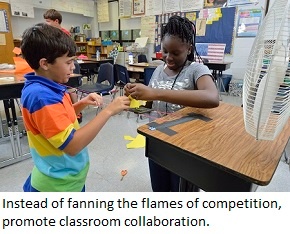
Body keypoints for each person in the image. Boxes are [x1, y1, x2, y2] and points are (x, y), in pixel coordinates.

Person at [20, 23, 130, 192]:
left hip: (67, 179)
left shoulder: (50, 87)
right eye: (69, 62)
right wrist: (108, 111)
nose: (73, 67)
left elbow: (58, 120)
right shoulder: (41, 96)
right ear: (45, 63)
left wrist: (81, 103)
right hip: (56, 187)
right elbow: (72, 145)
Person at [124, 15, 219, 192]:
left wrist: (156, 92)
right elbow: (152, 106)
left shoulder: (196, 70)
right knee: (160, 189)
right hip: (157, 142)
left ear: (189, 49)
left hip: (185, 147)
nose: (168, 57)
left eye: (176, 53)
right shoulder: (159, 70)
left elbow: (212, 98)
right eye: (165, 51)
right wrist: (135, 98)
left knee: (181, 193)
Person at [43, 9, 83, 123]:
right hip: (57, 64)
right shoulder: (50, 34)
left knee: (70, 87)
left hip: (64, 63)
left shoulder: (63, 34)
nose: (46, 24)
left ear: (56, 21)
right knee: (64, 89)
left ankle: (77, 112)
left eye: (48, 21)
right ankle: (68, 110)